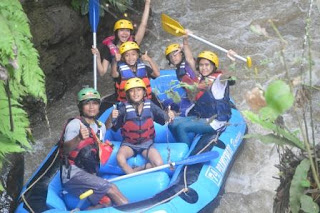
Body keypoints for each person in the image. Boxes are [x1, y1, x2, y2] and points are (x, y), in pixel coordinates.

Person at [60, 87, 128, 209]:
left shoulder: (98, 125)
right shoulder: (75, 125)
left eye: (95, 103)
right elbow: (65, 150)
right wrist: (79, 138)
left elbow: (101, 132)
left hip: (89, 173)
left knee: (106, 203)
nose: (91, 107)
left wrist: (110, 119)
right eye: (87, 104)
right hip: (73, 175)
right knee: (111, 188)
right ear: (81, 106)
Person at [109, 78, 175, 174]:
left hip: (147, 143)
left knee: (159, 163)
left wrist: (170, 115)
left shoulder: (150, 106)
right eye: (132, 91)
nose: (135, 93)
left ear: (144, 92)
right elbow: (114, 127)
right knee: (120, 158)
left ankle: (136, 170)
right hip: (129, 144)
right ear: (128, 94)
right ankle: (132, 175)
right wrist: (112, 117)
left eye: (138, 90)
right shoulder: (123, 109)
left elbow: (165, 119)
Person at [169, 51, 233, 146]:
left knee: (181, 127)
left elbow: (227, 74)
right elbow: (189, 59)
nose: (204, 68)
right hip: (203, 117)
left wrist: (231, 61)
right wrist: (185, 42)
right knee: (172, 124)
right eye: (201, 65)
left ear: (213, 66)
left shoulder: (219, 80)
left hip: (216, 122)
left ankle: (186, 153)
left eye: (207, 65)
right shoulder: (200, 79)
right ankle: (183, 143)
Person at [91, 0, 151, 77]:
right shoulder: (109, 48)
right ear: (116, 32)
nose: (125, 34)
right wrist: (98, 57)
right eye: (121, 30)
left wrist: (147, 3)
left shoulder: (134, 42)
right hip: (122, 81)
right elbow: (102, 72)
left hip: (137, 80)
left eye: (127, 31)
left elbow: (143, 24)